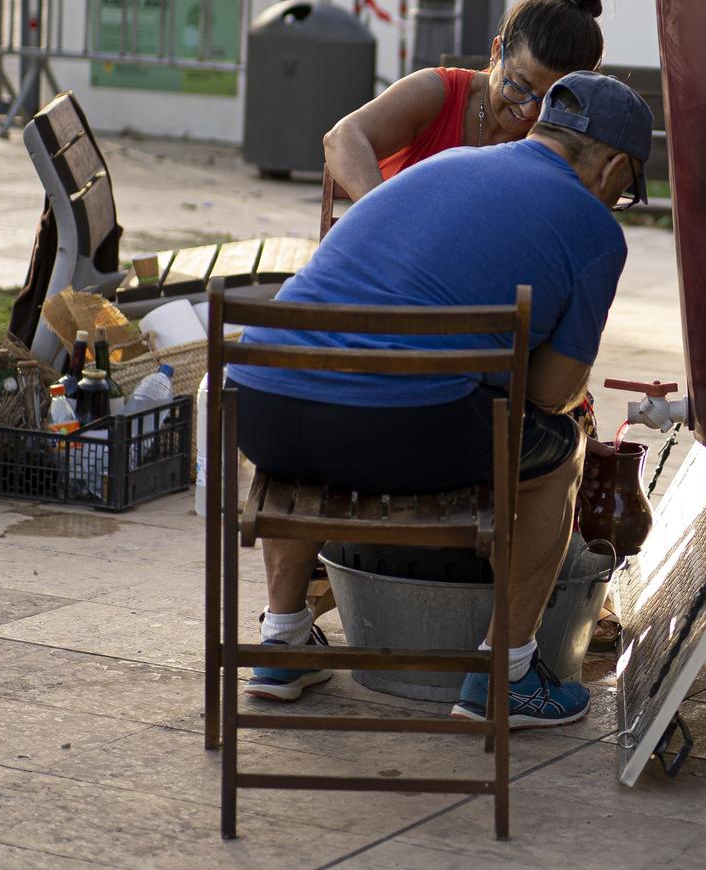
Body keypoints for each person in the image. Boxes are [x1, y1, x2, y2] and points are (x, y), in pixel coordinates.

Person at [229, 72, 653, 727]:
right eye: (625, 188)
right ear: (616, 167)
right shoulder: (595, 227)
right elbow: (549, 393)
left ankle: (282, 639)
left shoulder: (452, 162)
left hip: (263, 405)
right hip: (401, 428)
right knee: (560, 449)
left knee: (317, 389)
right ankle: (505, 674)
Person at [322, 0, 606, 202]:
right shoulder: (437, 93)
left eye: (551, 99)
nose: (530, 110)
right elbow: (342, 137)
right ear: (497, 52)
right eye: (519, 85)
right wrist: (386, 218)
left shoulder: (569, 136)